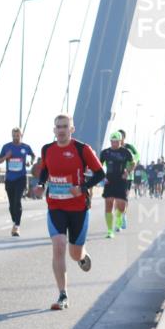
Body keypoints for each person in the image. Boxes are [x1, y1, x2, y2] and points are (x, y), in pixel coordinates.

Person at [33, 114, 105, 310]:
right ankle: (62, 295)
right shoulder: (47, 149)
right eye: (58, 127)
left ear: (71, 129)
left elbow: (100, 173)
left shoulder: (82, 149)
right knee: (58, 245)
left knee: (74, 253)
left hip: (78, 208)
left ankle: (82, 257)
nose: (61, 130)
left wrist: (82, 188)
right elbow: (45, 170)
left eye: (65, 126)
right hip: (55, 206)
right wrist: (40, 184)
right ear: (54, 130)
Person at [0, 127, 36, 236]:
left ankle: (17, 226)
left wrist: (30, 161)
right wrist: (6, 156)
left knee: (17, 201)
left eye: (17, 136)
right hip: (9, 179)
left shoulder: (25, 147)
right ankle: (15, 221)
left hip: (21, 178)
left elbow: (33, 156)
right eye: (14, 136)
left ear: (21, 136)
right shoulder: (6, 147)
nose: (16, 138)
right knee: (11, 205)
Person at [99, 131, 134, 238]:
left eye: (116, 141)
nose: (114, 143)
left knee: (121, 206)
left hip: (121, 180)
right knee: (108, 205)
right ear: (110, 141)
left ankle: (118, 222)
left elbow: (133, 163)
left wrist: (127, 172)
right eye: (112, 141)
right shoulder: (105, 152)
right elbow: (99, 165)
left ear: (120, 141)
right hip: (109, 180)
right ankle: (110, 230)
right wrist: (102, 176)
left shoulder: (126, 152)